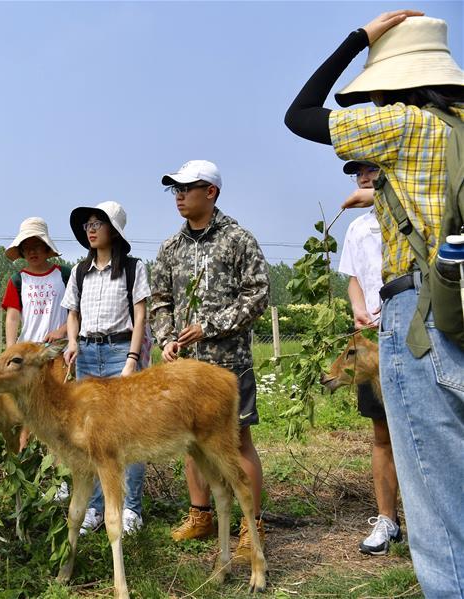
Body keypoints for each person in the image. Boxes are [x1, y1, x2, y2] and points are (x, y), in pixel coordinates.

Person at [285, 11, 464, 596]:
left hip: (422, 317)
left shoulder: (404, 126)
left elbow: (301, 114)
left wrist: (357, 38)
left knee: (438, 507)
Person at [148, 160, 269, 562]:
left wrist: (210, 325)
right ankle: (200, 516)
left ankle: (251, 526)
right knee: (190, 441)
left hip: (228, 363)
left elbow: (256, 295)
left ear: (211, 192)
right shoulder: (170, 248)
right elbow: (160, 302)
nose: (179, 195)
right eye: (175, 189)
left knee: (237, 441)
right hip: (185, 367)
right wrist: (166, 339)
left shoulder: (237, 240)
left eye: (187, 188)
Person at [60, 201, 151, 535]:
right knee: (92, 437)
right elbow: (72, 314)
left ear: (115, 230)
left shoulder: (132, 268)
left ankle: (130, 509)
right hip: (87, 353)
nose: (92, 228)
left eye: (99, 222)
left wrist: (131, 358)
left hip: (119, 352)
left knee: (129, 432)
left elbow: (140, 315)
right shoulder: (80, 272)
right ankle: (97, 508)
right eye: (88, 224)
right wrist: (72, 343)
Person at [337, 160, 403, 556]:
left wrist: (380, 197)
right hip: (374, 340)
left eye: (371, 167)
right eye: (357, 170)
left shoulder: (410, 211)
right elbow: (354, 279)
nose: (363, 175)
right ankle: (388, 521)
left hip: (412, 331)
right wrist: (358, 310)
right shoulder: (357, 228)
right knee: (381, 434)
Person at [0, 217, 71, 455]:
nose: (32, 251)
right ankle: (23, 463)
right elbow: (12, 317)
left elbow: (76, 310)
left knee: (60, 410)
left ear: (46, 248)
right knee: (26, 412)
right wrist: (12, 352)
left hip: (59, 354)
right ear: (21, 251)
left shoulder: (64, 275)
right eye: (26, 247)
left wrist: (62, 331)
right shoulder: (19, 280)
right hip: (28, 358)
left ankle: (61, 470)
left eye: (36, 245)